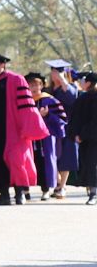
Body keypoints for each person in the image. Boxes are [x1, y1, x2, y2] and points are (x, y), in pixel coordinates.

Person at [0, 53, 48, 206]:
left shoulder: (16, 80)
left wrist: (27, 128)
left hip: (13, 129)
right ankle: (4, 195)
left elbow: (27, 106)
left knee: (17, 161)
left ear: (3, 65)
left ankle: (20, 193)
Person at [26, 74, 68, 204]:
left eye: (36, 84)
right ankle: (25, 190)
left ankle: (46, 190)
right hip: (30, 138)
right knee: (31, 162)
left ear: (42, 85)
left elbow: (62, 119)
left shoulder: (50, 100)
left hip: (46, 138)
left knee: (46, 162)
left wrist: (48, 114)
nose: (33, 87)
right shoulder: (25, 100)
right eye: (31, 85)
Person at [45, 60, 82, 196]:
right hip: (50, 126)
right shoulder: (48, 90)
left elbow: (72, 96)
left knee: (66, 156)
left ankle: (62, 186)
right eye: (53, 72)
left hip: (66, 127)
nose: (55, 74)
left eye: (58, 72)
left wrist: (62, 78)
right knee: (52, 155)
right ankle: (57, 182)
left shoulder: (70, 87)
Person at [66, 72, 97, 205]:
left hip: (92, 138)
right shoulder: (82, 98)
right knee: (89, 165)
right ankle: (92, 192)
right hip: (86, 139)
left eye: (84, 81)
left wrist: (81, 134)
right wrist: (75, 134)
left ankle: (93, 194)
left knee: (93, 165)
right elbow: (75, 118)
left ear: (89, 83)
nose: (82, 83)